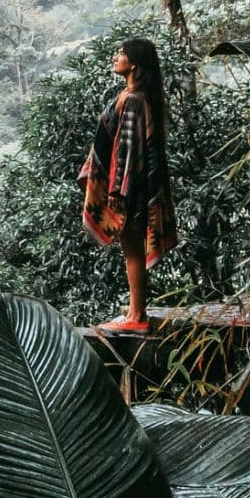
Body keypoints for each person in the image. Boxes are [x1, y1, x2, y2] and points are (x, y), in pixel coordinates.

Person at [77, 38, 179, 333]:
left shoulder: (134, 99)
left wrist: (118, 191)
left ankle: (137, 316)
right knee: (130, 247)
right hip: (133, 183)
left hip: (131, 186)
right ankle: (136, 312)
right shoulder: (133, 95)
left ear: (134, 62)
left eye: (120, 53)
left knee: (132, 247)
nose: (115, 57)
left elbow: (129, 150)